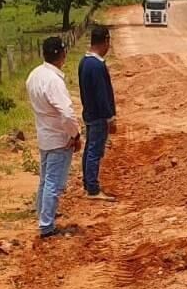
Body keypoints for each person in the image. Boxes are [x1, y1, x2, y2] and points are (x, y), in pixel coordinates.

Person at [26, 37, 82, 239]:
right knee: (53, 183)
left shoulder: (34, 75)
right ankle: (47, 225)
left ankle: (42, 215)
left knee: (44, 180)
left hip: (44, 134)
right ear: (62, 54)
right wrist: (75, 134)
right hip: (59, 137)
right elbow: (66, 113)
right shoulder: (53, 80)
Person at [78, 25, 118, 201]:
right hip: (98, 116)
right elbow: (102, 95)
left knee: (89, 149)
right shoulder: (97, 65)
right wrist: (110, 117)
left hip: (89, 112)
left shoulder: (84, 62)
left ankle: (88, 183)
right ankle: (93, 189)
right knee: (95, 150)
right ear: (106, 41)